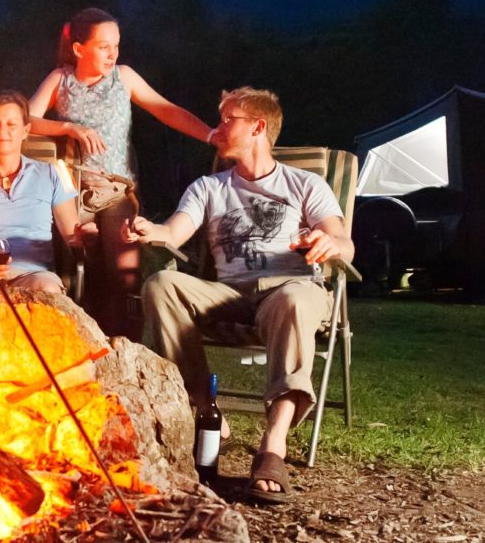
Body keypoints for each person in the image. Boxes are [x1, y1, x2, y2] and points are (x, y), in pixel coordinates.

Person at [123, 87, 354, 503]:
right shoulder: (208, 187)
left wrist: (331, 243)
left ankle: (274, 446)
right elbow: (175, 231)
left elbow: (344, 242)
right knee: (161, 285)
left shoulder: (305, 184)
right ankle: (209, 415)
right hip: (227, 293)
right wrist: (150, 230)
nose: (217, 129)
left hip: (288, 289)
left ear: (258, 127)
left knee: (296, 298)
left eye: (228, 119)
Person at [27, 7, 214, 336]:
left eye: (116, 45)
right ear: (79, 49)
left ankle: (125, 348)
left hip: (117, 190)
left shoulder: (123, 77)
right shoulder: (61, 79)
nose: (112, 53)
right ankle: (83, 346)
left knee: (124, 274)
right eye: (103, 46)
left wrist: (211, 135)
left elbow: (165, 109)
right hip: (74, 190)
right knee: (81, 268)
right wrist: (68, 127)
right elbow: (26, 121)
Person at [0, 90, 94, 309]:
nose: (2, 131)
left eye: (11, 125)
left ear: (26, 131)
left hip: (34, 274)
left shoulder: (52, 174)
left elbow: (73, 235)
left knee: (47, 290)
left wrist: (86, 236)